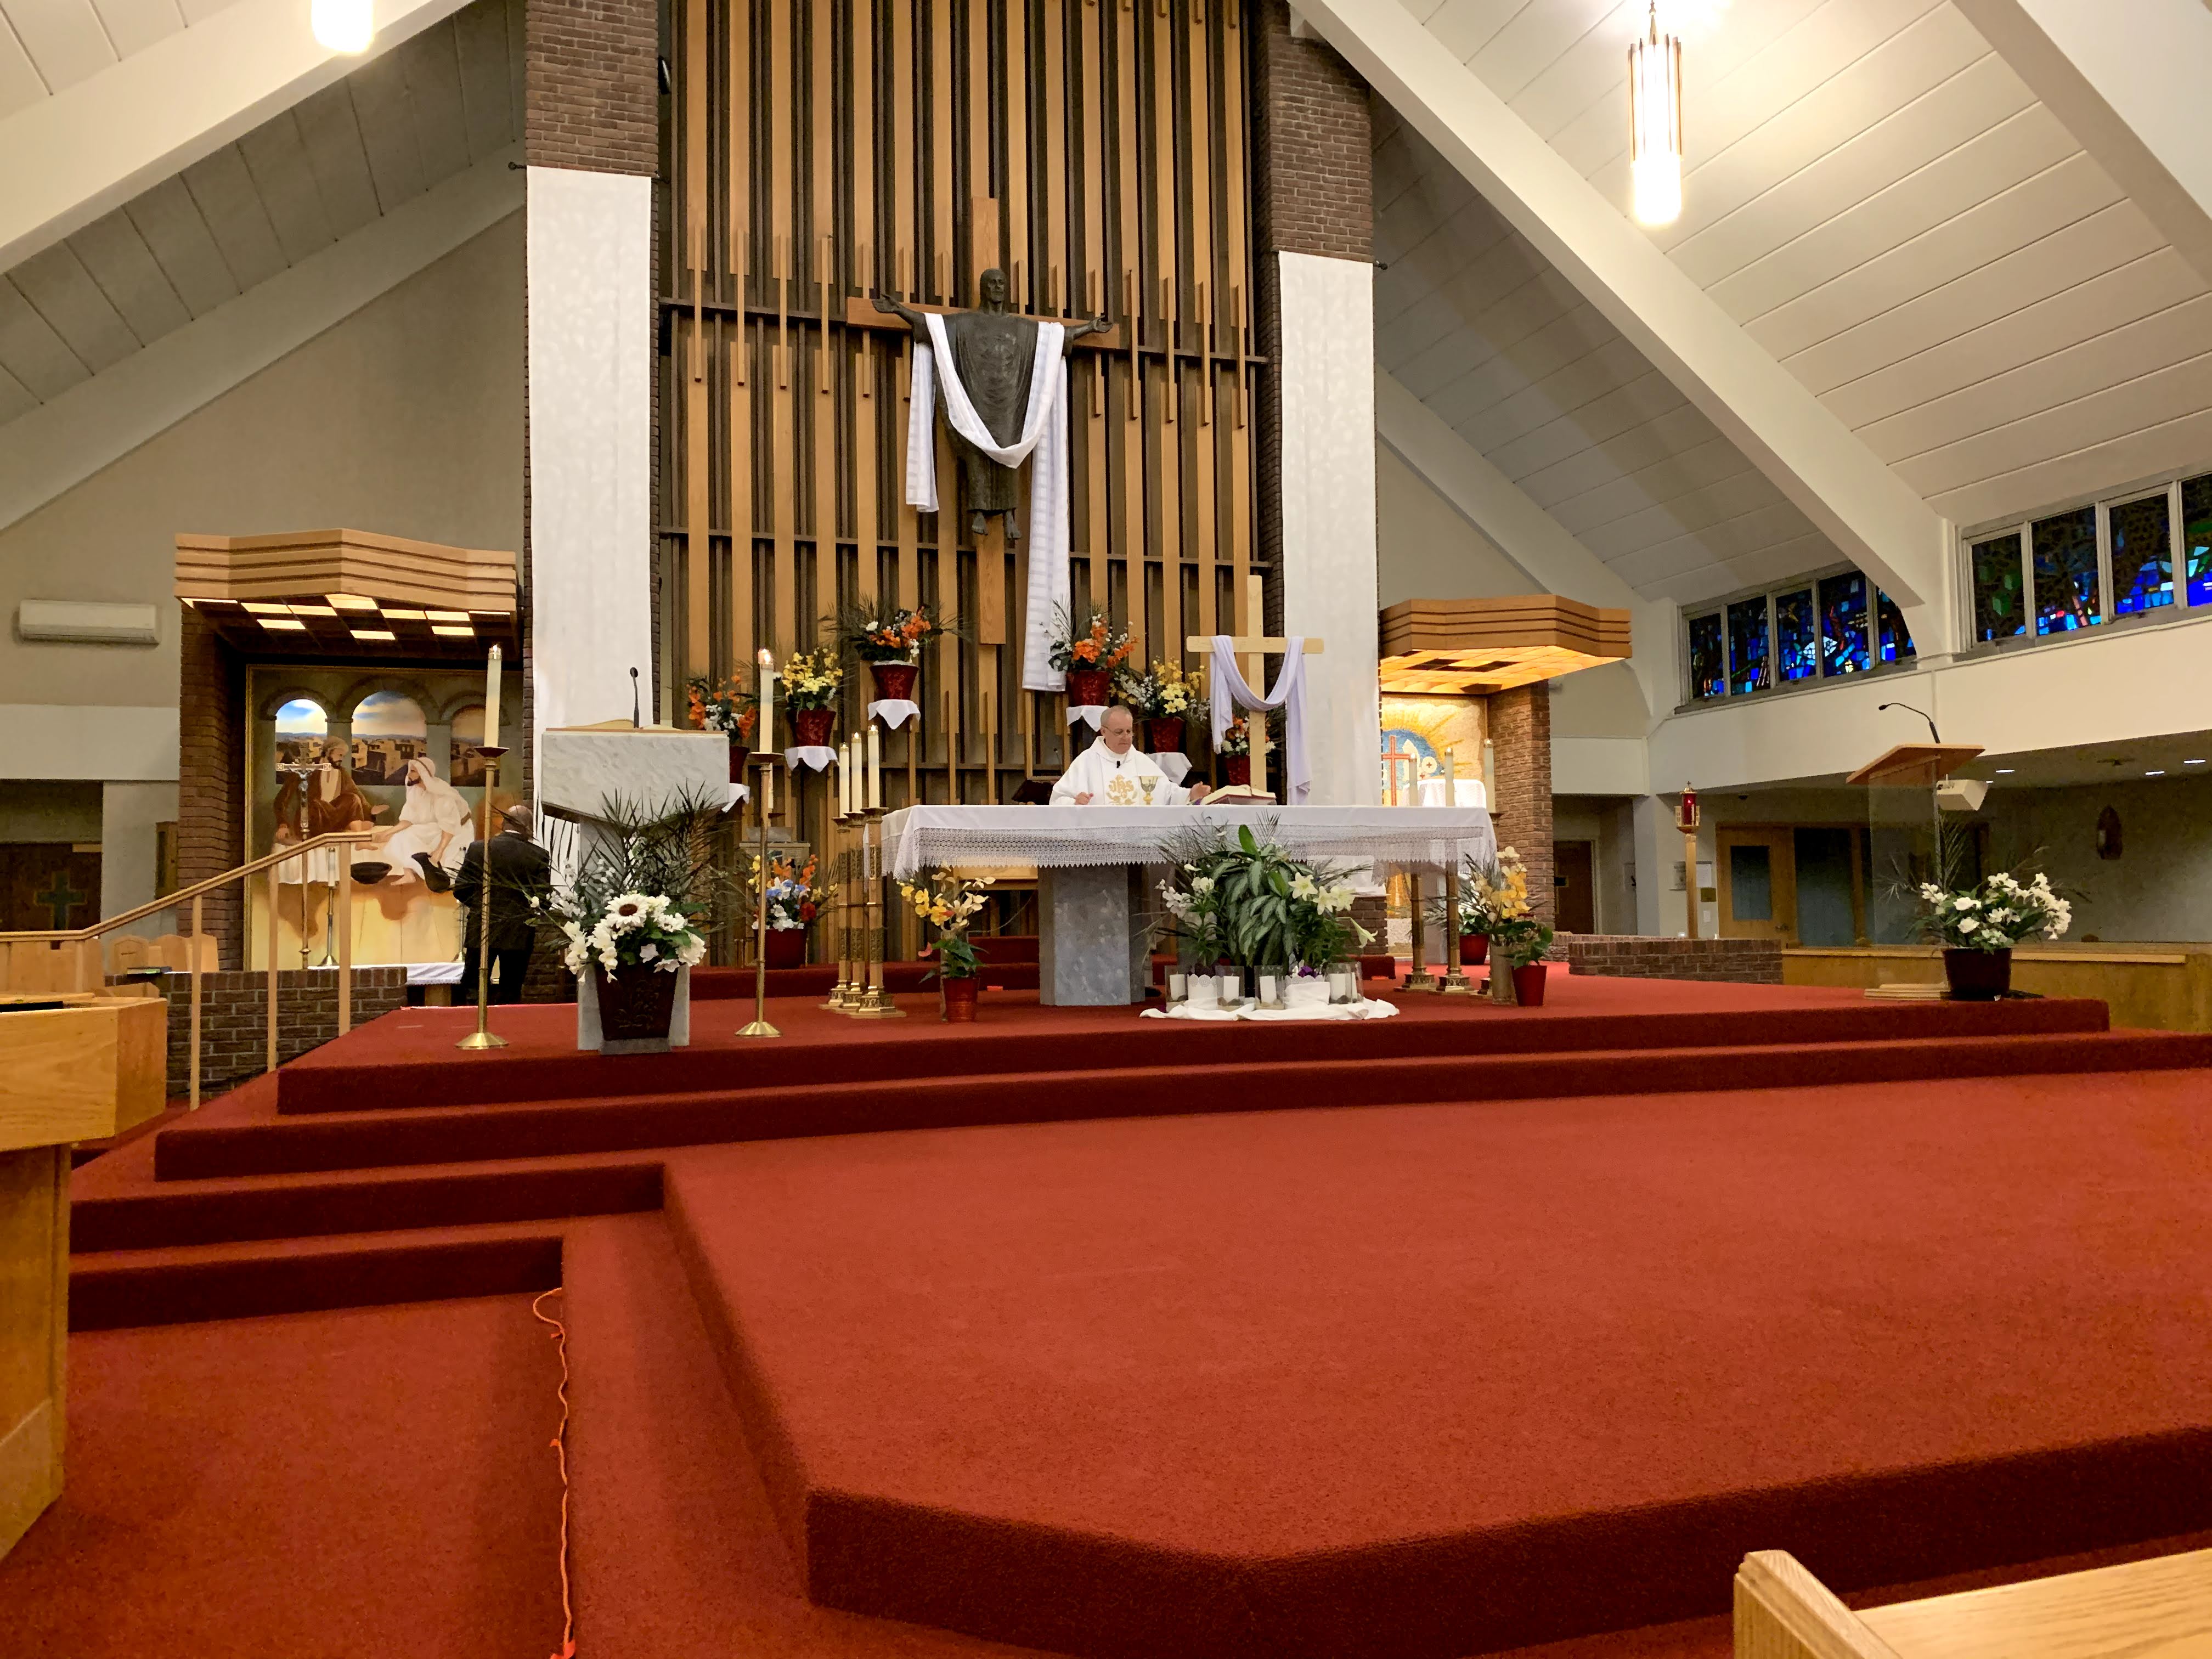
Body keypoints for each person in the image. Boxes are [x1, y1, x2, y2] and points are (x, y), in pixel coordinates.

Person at [452, 803, 551, 1004]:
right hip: (519, 931)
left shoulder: (479, 849)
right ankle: (507, 1030)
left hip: (482, 927)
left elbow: (461, 890)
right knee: (511, 989)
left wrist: (482, 906)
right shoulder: (537, 855)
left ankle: (475, 1029)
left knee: (474, 988)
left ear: (504, 823)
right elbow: (543, 900)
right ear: (528, 827)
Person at [1050, 706, 1212, 806]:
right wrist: (1075, 803)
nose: (1126, 737)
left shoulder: (1141, 761)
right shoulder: (1087, 761)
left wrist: (1191, 794)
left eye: (1129, 731)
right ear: (1103, 731)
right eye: (1119, 732)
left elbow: (1168, 794)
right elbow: (1058, 799)